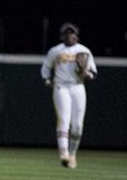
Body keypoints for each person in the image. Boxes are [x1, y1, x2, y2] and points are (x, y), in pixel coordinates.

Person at [40, 22, 97, 169]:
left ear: (76, 36)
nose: (69, 35)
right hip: (61, 86)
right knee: (64, 120)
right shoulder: (56, 50)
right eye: (66, 33)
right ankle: (63, 153)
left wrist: (87, 74)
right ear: (62, 36)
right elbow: (46, 67)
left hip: (78, 86)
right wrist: (46, 79)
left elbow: (93, 73)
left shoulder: (84, 50)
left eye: (72, 33)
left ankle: (72, 154)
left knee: (77, 126)